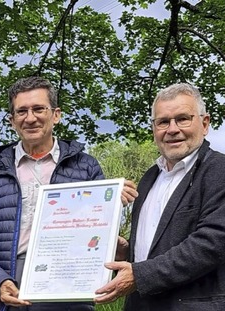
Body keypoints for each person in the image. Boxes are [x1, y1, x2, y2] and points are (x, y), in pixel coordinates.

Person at [0, 76, 137, 311]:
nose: (30, 118)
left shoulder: (85, 167)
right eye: (21, 111)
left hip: (67, 288)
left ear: (56, 115)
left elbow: (97, 232)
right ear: (12, 120)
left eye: (38, 109)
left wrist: (112, 199)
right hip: (4, 290)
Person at [94, 83, 225, 310]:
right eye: (163, 122)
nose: (172, 129)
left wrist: (139, 275)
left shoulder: (219, 170)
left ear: (204, 124)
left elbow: (213, 242)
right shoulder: (149, 178)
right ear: (154, 128)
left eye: (183, 119)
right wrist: (126, 252)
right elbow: (153, 247)